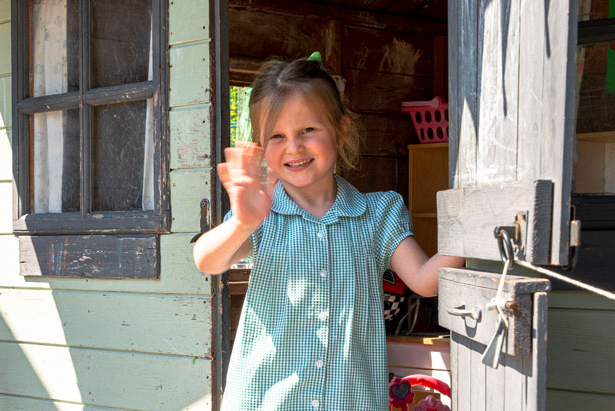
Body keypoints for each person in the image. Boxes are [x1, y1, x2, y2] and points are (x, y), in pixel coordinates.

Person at [192, 52, 466, 410]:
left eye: (308, 129)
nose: (294, 146)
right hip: (266, 402)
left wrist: (471, 227)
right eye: (277, 136)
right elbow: (207, 261)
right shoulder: (260, 213)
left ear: (341, 128)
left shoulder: (379, 213)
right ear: (262, 147)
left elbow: (425, 281)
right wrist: (243, 220)